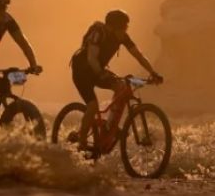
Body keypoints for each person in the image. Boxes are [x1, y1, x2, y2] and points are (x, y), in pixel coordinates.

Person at [70, 9, 163, 151]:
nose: (126, 30)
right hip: (82, 71)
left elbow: (138, 55)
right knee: (93, 105)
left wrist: (153, 72)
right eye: (124, 27)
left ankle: (108, 127)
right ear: (112, 27)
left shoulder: (122, 36)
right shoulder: (98, 33)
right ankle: (81, 142)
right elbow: (92, 58)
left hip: (98, 70)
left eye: (127, 27)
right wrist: (101, 74)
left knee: (121, 87)